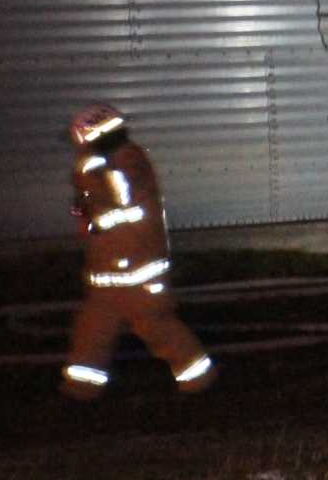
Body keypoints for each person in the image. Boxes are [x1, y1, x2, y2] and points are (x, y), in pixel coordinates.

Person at [61, 103, 215, 400]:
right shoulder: (102, 163)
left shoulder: (124, 162)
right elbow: (96, 213)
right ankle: (79, 391)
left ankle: (199, 384)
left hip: (137, 273)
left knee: (158, 328)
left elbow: (116, 206)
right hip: (109, 275)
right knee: (92, 332)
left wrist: (90, 205)